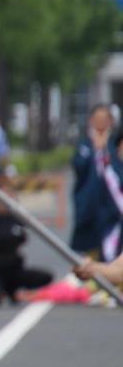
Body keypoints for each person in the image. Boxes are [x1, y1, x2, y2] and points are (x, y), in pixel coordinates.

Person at [0, 178, 53, 306]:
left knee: (45, 277)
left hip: (13, 268)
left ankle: (12, 288)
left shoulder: (16, 218)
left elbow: (23, 239)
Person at [71, 104, 120, 257]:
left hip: (113, 211)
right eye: (97, 119)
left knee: (111, 253)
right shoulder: (84, 145)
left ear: (111, 122)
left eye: (105, 119)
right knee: (89, 256)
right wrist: (95, 150)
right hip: (89, 209)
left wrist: (105, 149)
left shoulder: (115, 145)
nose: (101, 123)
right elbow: (78, 166)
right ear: (91, 120)